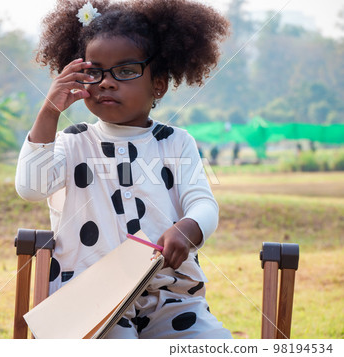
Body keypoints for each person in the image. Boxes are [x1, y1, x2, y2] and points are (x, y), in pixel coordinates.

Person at [15, 0, 231, 339]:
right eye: (94, 71)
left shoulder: (176, 142)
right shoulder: (73, 142)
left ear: (158, 84)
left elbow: (203, 203)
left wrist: (188, 228)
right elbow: (30, 187)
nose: (107, 83)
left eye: (126, 71)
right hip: (91, 300)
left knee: (213, 342)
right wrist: (49, 112)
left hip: (170, 297)